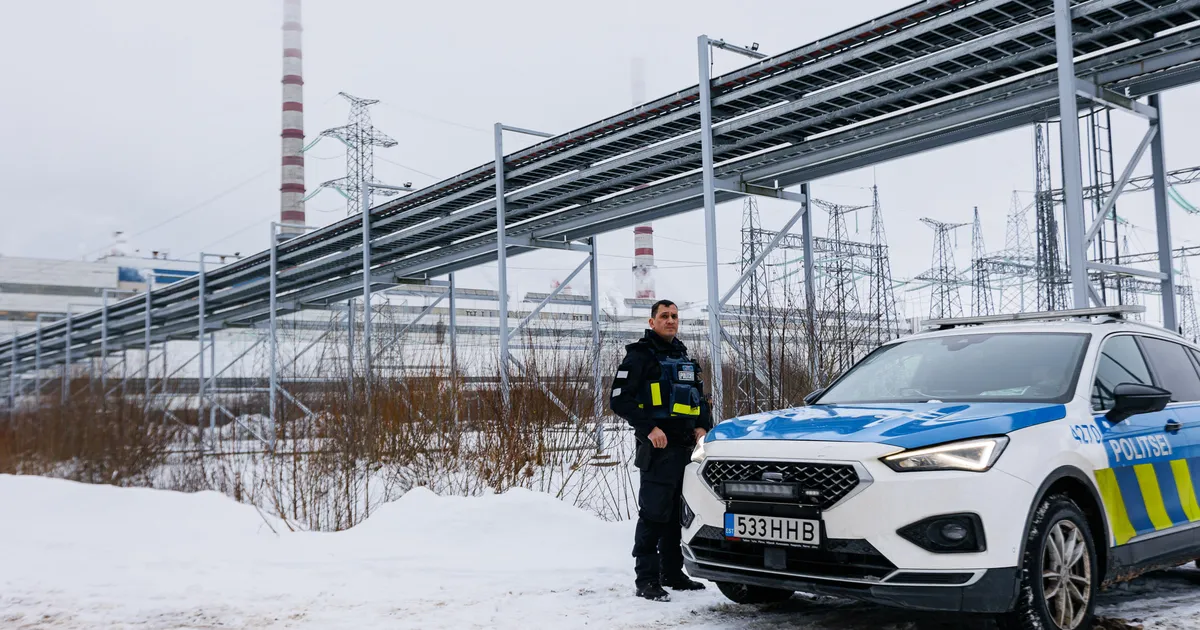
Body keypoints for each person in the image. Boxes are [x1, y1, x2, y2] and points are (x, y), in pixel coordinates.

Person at [609, 299, 712, 601]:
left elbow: (700, 398)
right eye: (664, 316)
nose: (671, 320)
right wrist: (649, 428)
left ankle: (673, 573)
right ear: (651, 322)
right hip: (658, 448)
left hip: (686, 449)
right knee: (654, 515)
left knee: (675, 516)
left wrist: (703, 426)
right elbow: (619, 399)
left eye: (675, 316)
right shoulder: (640, 357)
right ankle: (646, 579)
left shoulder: (684, 357)